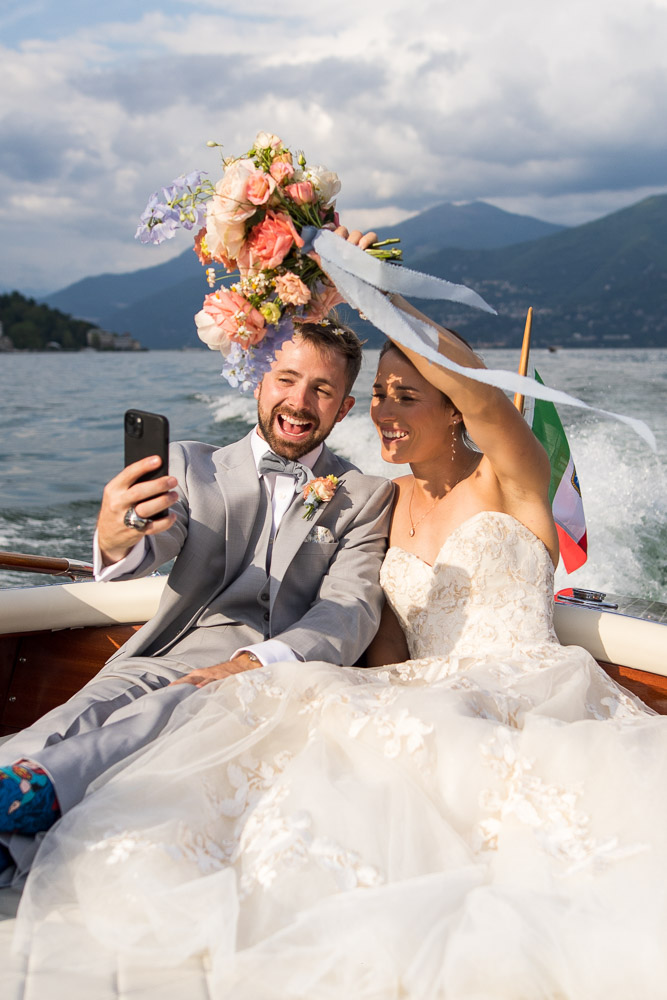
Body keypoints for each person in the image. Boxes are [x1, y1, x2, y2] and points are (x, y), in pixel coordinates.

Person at [10, 262, 667, 997]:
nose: (384, 411)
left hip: (526, 691)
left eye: (405, 395)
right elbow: (380, 641)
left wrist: (366, 290)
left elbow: (478, 405)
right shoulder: (383, 500)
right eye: (379, 396)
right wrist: (122, 530)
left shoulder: (508, 477)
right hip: (414, 691)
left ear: (453, 409)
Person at [0, 315, 393, 884]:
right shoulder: (191, 463)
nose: (300, 400)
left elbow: (349, 608)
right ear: (259, 382)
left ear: (344, 408)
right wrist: (119, 534)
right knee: (76, 716)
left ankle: (31, 798)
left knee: (167, 712)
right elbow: (156, 535)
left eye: (322, 389)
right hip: (162, 653)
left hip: (271, 678)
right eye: (286, 379)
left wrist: (251, 663)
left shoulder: (365, 495)